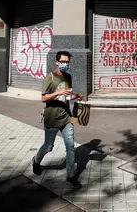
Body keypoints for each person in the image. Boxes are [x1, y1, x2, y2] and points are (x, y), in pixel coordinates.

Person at [32, 51, 84, 188]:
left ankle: (71, 176)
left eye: (67, 62)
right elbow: (43, 98)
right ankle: (36, 161)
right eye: (63, 62)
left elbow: (66, 96)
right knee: (48, 147)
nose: (65, 64)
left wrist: (76, 96)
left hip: (66, 117)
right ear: (57, 62)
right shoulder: (50, 78)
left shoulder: (68, 77)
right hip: (52, 118)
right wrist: (57, 93)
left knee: (70, 147)